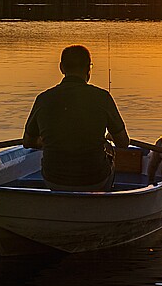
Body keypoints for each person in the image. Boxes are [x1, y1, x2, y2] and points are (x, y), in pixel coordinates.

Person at [23, 45, 129, 191]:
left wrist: (49, 141)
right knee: (109, 150)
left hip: (53, 180)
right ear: (88, 69)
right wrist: (109, 137)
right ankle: (103, 200)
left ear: (61, 68)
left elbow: (27, 142)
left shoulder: (43, 98)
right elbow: (123, 143)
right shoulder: (102, 97)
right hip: (95, 180)